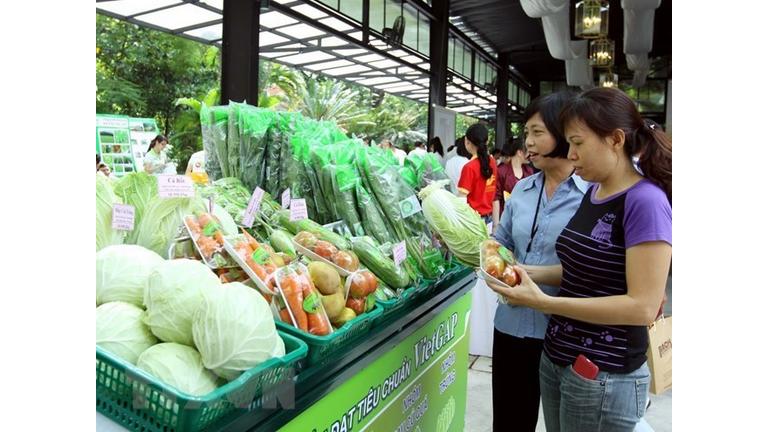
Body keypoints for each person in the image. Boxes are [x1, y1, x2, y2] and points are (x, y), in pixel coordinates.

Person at [487, 87, 672, 432]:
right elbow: (580, 271)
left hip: (603, 372)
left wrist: (544, 303)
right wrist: (527, 272)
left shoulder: (645, 201)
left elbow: (643, 307)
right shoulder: (597, 193)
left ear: (615, 139)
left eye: (577, 143)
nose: (571, 154)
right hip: (561, 360)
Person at [489, 91, 584, 432]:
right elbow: (499, 244)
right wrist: (492, 265)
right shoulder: (523, 190)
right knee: (510, 422)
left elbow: (595, 270)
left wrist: (525, 273)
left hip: (565, 332)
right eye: (526, 133)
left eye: (537, 132)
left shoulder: (593, 196)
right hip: (511, 326)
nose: (527, 142)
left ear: (563, 133)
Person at [492, 136, 535, 229]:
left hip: (525, 220)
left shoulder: (529, 171)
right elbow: (496, 198)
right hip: (505, 219)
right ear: (519, 152)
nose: (530, 154)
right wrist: (496, 225)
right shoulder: (501, 171)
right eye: (528, 151)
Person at [457, 124, 497, 222]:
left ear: (467, 141)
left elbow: (462, 200)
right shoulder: (493, 162)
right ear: (486, 142)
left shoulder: (469, 167)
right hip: (490, 218)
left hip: (473, 220)